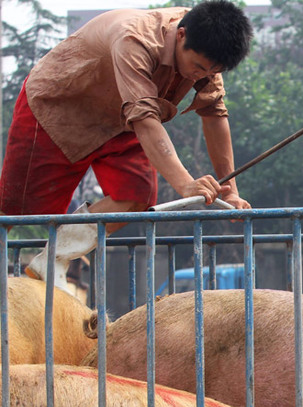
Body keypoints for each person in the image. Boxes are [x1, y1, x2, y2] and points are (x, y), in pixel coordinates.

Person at [0, 0, 254, 289]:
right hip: (57, 112)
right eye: (196, 66)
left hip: (121, 122)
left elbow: (214, 114)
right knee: (15, 214)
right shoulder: (134, 38)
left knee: (136, 196)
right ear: (181, 35)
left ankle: (52, 259)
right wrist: (186, 184)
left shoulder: (206, 50)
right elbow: (146, 119)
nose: (199, 75)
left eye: (208, 72)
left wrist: (231, 191)